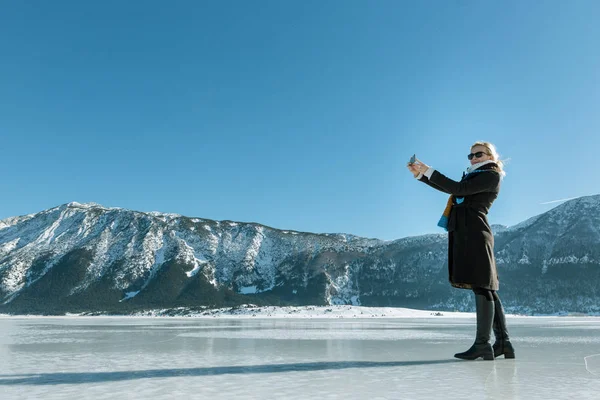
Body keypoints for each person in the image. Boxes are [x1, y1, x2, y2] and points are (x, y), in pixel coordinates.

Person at [407, 141, 515, 361]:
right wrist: (421, 176)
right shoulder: (473, 177)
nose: (473, 157)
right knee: (487, 288)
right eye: (470, 155)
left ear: (490, 156)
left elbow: (458, 189)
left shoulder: (491, 175)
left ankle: (483, 344)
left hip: (475, 233)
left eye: (478, 154)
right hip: (467, 233)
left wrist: (428, 170)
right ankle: (503, 343)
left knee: (483, 286)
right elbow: (455, 188)